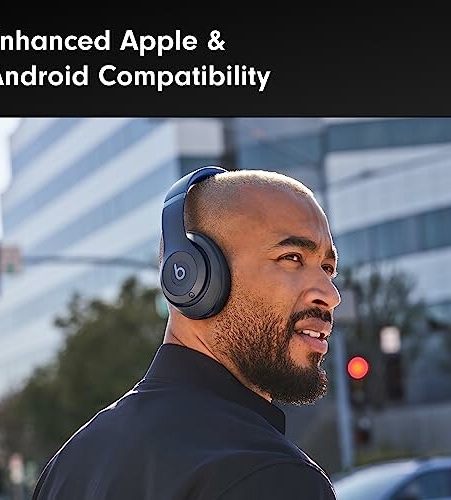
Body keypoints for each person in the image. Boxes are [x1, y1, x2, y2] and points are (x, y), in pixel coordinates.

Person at [32, 166, 341, 499]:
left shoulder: (68, 466)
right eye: (292, 258)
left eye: (327, 268)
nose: (331, 294)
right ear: (194, 278)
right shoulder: (273, 477)